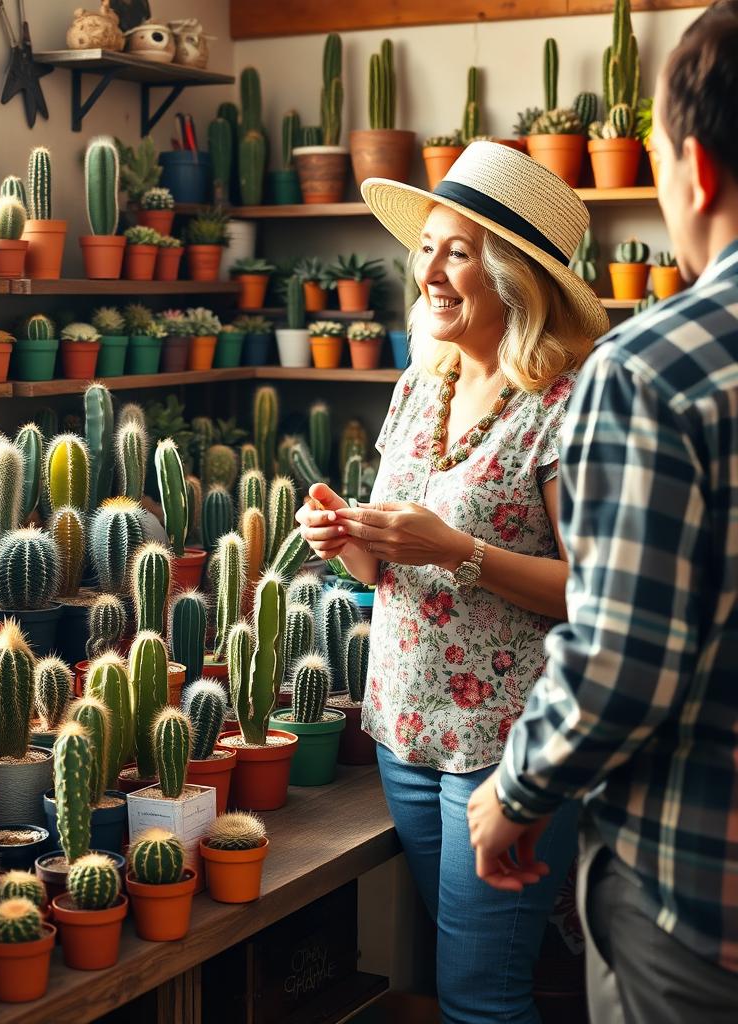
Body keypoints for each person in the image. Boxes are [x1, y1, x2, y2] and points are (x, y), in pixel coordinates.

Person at [465, 4, 738, 1022]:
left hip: (700, 902)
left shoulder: (655, 370)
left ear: (694, 169)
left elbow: (622, 652)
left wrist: (516, 792)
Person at [295, 141, 609, 1022]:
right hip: (402, 724)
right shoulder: (417, 383)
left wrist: (457, 551)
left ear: (512, 277)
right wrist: (343, 538)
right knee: (454, 976)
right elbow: (386, 569)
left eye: (459, 251)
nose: (429, 269)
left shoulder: (565, 402)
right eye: (426, 245)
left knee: (481, 994)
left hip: (507, 745)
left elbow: (596, 590)